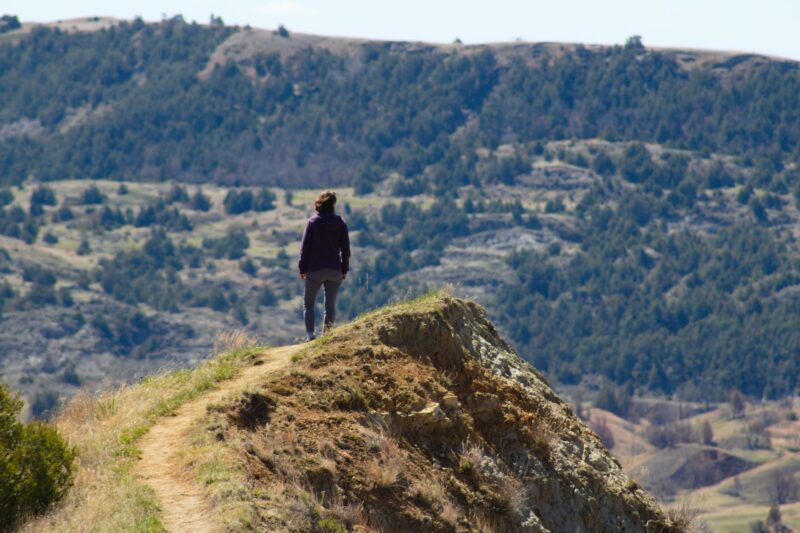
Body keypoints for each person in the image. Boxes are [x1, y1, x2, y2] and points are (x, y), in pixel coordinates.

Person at [298, 190, 350, 341]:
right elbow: (346, 249)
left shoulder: (313, 222)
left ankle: (310, 336)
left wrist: (302, 268)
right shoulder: (340, 222)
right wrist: (344, 269)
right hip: (334, 270)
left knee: (309, 304)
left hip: (315, 270)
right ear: (333, 204)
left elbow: (304, 248)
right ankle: (326, 337)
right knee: (330, 305)